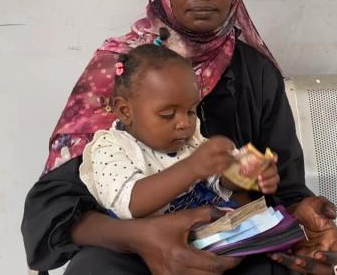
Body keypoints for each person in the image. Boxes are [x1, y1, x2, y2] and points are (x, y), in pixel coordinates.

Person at [21, 0, 337, 275]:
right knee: (93, 269)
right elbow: (53, 208)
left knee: (286, 268)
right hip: (130, 249)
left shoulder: (257, 74)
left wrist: (303, 217)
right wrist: (140, 236)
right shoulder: (118, 73)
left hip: (227, 245)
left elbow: (284, 189)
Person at [79, 44, 279, 219]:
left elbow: (220, 181)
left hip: (209, 230)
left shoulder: (189, 140)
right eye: (168, 114)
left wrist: (245, 172)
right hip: (151, 249)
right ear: (125, 111)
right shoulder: (110, 148)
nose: (184, 123)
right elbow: (130, 204)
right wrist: (191, 168)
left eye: (191, 111)